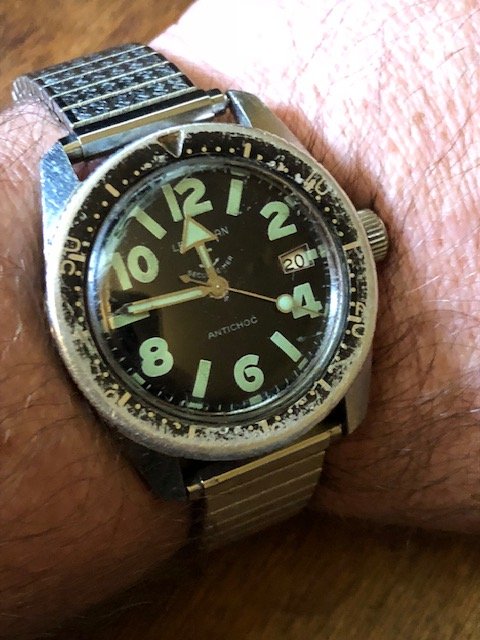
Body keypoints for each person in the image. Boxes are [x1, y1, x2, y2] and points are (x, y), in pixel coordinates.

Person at [1, 0, 478, 637]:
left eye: (216, 285)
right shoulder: (79, 173)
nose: (218, 288)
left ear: (361, 235)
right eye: (210, 287)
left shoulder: (243, 125)